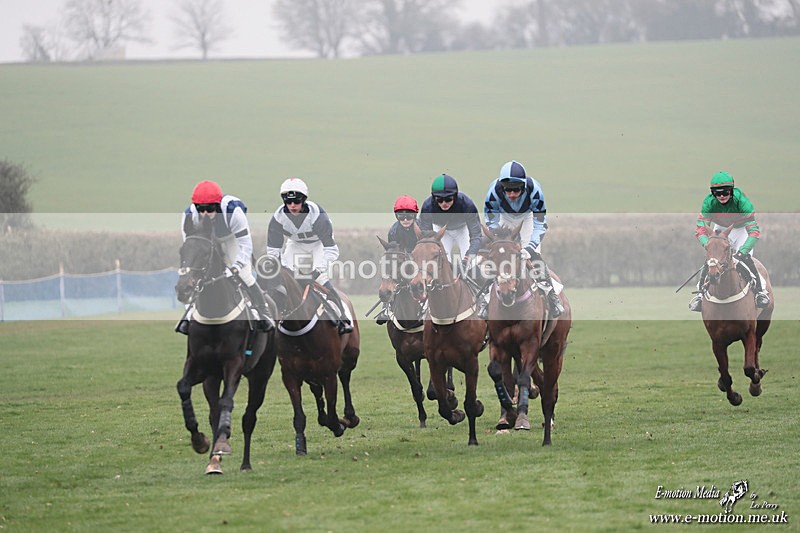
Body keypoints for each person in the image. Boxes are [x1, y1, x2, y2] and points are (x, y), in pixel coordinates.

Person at [176, 180, 274, 334]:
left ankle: (264, 313)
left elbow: (246, 245)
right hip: (206, 242)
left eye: (210, 208)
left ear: (218, 205)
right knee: (196, 277)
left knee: (244, 274)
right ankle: (188, 317)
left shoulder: (233, 212)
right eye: (201, 209)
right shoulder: (189, 215)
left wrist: (235, 267)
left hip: (231, 239)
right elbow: (190, 248)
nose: (205, 213)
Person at [266, 178, 353, 334]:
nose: (292, 205)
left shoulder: (318, 217)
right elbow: (273, 253)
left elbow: (332, 250)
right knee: (286, 279)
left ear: (304, 200)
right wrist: (285, 269)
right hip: (295, 245)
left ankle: (342, 318)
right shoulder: (277, 219)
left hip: (318, 244)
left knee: (320, 279)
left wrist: (317, 271)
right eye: (288, 201)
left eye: (296, 201)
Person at [482, 159, 564, 319]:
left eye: (516, 190)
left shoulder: (535, 191)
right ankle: (485, 301)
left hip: (527, 218)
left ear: (524, 186)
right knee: (499, 259)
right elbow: (491, 222)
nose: (511, 194)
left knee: (533, 258)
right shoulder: (494, 192)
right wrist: (499, 241)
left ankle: (551, 295)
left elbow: (540, 225)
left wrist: (529, 248)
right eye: (507, 190)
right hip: (503, 219)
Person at [689, 171, 770, 311]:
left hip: (742, 230)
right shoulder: (708, 203)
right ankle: (700, 294)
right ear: (712, 193)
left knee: (744, 259)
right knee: (713, 259)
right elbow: (700, 229)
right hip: (721, 229)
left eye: (725, 192)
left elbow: (754, 232)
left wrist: (742, 251)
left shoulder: (742, 202)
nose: (721, 196)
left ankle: (760, 292)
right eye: (717, 193)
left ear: (732, 190)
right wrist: (708, 245)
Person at [418, 173, 482, 267]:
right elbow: (426, 238)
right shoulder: (428, 207)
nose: (444, 203)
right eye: (439, 199)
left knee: (471, 264)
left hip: (462, 229)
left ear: (455, 196)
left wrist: (468, 257)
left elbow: (476, 236)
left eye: (448, 199)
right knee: (442, 263)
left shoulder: (467, 205)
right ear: (434, 197)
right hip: (441, 230)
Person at [375, 195, 420, 325]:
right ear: (397, 217)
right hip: (403, 260)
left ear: (415, 215)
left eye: (409, 216)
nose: (405, 219)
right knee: (390, 273)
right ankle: (386, 308)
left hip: (421, 259)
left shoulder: (422, 227)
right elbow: (392, 253)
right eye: (401, 217)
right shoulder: (394, 231)